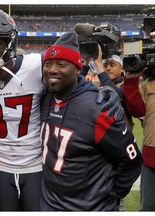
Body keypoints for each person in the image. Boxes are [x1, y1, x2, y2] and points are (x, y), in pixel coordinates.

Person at [0, 9, 124, 211]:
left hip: (36, 165)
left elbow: (69, 83)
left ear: (10, 42)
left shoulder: (35, 65)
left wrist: (101, 90)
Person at [39, 32, 143, 211]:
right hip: (49, 204)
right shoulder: (43, 98)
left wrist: (110, 196)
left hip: (89, 207)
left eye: (61, 64)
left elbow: (131, 161)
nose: (52, 69)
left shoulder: (97, 108)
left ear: (78, 68)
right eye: (48, 64)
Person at [123, 66, 155, 211]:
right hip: (152, 154)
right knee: (148, 207)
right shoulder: (149, 84)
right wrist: (130, 81)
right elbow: (137, 110)